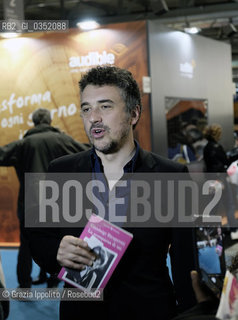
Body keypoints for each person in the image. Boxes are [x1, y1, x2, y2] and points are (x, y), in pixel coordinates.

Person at [29, 66, 197, 319]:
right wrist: (56, 252)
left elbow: (185, 261)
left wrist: (189, 313)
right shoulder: (61, 170)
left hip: (148, 311)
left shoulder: (171, 175)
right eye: (86, 109)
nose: (93, 117)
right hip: (81, 312)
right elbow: (40, 237)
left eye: (105, 107)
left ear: (133, 113)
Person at [0, 108, 88, 288]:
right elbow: (89, 152)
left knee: (26, 246)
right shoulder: (64, 139)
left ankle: (24, 286)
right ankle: (52, 281)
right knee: (56, 243)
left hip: (30, 203)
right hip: (58, 203)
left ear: (33, 122)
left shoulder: (24, 143)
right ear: (50, 120)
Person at [203, 124, 238, 238]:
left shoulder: (207, 148)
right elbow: (224, 161)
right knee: (229, 204)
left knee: (214, 206)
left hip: (211, 180)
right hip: (220, 179)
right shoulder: (216, 147)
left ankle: (210, 231)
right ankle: (233, 230)